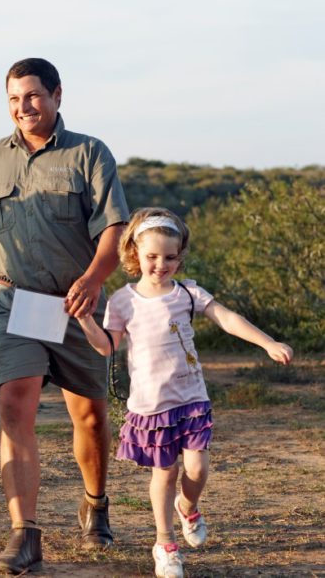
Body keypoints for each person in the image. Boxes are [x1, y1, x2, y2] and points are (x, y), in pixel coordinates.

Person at [0, 57, 131, 573]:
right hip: (15, 303)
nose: (22, 107)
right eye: (13, 99)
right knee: (15, 405)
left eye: (32, 96)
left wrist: (95, 279)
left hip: (75, 307)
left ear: (56, 95)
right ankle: (24, 534)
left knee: (90, 415)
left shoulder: (89, 153)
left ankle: (95, 504)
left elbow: (113, 229)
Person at [75, 207, 293, 578]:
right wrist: (82, 319)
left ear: (180, 257)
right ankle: (165, 544)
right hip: (151, 405)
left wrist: (266, 341)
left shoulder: (188, 293)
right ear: (135, 255)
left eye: (170, 257)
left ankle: (188, 507)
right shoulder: (124, 301)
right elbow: (107, 347)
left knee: (197, 467)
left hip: (192, 399)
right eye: (152, 257)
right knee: (165, 472)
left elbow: (226, 317)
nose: (161, 264)